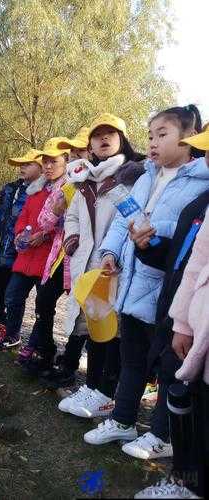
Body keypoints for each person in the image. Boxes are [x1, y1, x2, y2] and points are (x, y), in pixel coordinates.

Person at [84, 105, 209, 451]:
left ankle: (160, 434)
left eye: (162, 135)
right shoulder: (144, 177)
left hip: (165, 291)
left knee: (168, 366)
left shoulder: (201, 182)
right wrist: (109, 253)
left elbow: (190, 230)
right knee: (132, 360)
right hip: (130, 284)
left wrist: (158, 228)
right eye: (150, 136)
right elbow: (125, 222)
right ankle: (123, 420)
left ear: (189, 138)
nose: (152, 143)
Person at [44, 114, 146, 422]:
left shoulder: (134, 175)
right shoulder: (84, 178)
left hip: (117, 266)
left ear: (121, 139)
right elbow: (72, 215)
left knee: (113, 331)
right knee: (93, 326)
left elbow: (137, 218)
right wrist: (72, 239)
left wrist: (117, 252)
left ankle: (105, 393)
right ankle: (91, 387)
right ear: (89, 144)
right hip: (88, 263)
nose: (103, 139)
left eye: (110, 134)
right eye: (97, 135)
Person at [124, 118, 208, 461]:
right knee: (171, 373)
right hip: (178, 307)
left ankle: (169, 442)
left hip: (194, 316)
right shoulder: (200, 204)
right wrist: (148, 247)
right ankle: (172, 450)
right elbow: (182, 259)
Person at [0, 137, 68, 351]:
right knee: (13, 296)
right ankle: (13, 334)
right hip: (26, 255)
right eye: (46, 161)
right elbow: (23, 216)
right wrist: (19, 234)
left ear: (66, 162)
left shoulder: (68, 191)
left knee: (43, 306)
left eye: (54, 161)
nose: (49, 166)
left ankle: (38, 346)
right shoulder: (36, 189)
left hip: (48, 258)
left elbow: (66, 224)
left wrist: (45, 234)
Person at [0, 149, 43, 340]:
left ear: (40, 168)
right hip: (2, 248)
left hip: (22, 252)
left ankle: (10, 329)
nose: (21, 167)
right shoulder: (9, 188)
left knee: (12, 293)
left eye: (27, 164)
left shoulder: (41, 192)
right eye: (20, 164)